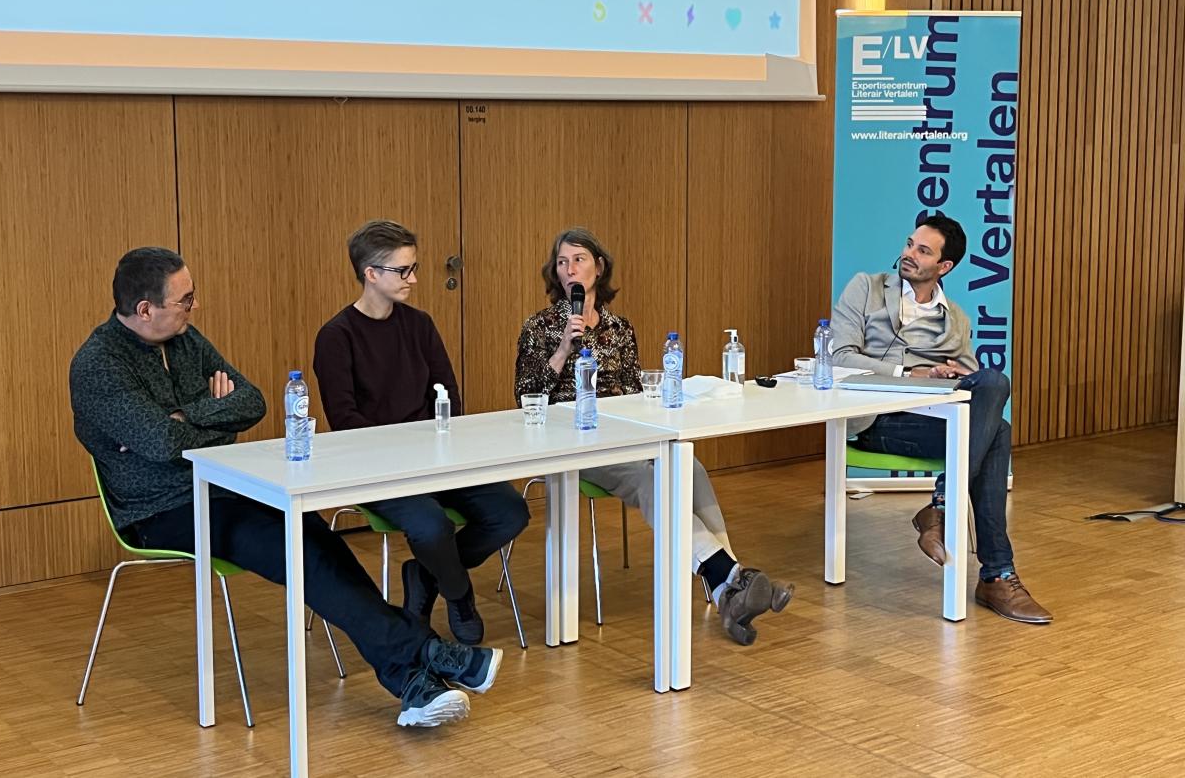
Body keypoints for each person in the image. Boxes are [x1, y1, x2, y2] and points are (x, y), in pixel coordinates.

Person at [69, 246, 502, 728]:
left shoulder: (185, 340)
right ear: (145, 309)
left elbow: (249, 401)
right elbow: (160, 439)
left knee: (318, 540)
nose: (195, 308)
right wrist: (201, 418)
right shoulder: (99, 365)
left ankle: (413, 682)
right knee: (299, 553)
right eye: (185, 300)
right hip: (162, 508)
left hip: (227, 483)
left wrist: (184, 416)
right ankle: (429, 654)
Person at [515, 227, 793, 645]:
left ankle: (726, 590)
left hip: (623, 431)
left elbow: (631, 391)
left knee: (689, 466)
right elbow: (525, 396)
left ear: (599, 268)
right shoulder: (540, 327)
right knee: (651, 480)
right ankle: (732, 578)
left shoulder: (619, 328)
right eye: (561, 262)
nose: (569, 269)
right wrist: (561, 352)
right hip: (570, 437)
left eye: (578, 260)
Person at [314, 221, 529, 645]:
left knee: (511, 511)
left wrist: (438, 445)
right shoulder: (336, 337)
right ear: (371, 273)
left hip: (436, 458)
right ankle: (459, 592)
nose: (413, 279)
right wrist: (405, 453)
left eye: (415, 268)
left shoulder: (420, 324)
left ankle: (427, 574)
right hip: (376, 467)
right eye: (403, 270)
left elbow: (449, 395)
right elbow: (345, 422)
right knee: (431, 528)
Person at [830, 215, 1052, 624]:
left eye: (923, 251)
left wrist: (949, 374)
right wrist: (907, 374)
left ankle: (944, 511)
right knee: (998, 432)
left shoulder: (957, 318)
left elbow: (976, 386)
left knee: (992, 386)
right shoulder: (866, 288)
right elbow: (839, 356)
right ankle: (996, 574)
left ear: (944, 267)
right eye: (910, 244)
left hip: (932, 418)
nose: (908, 255)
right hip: (877, 420)